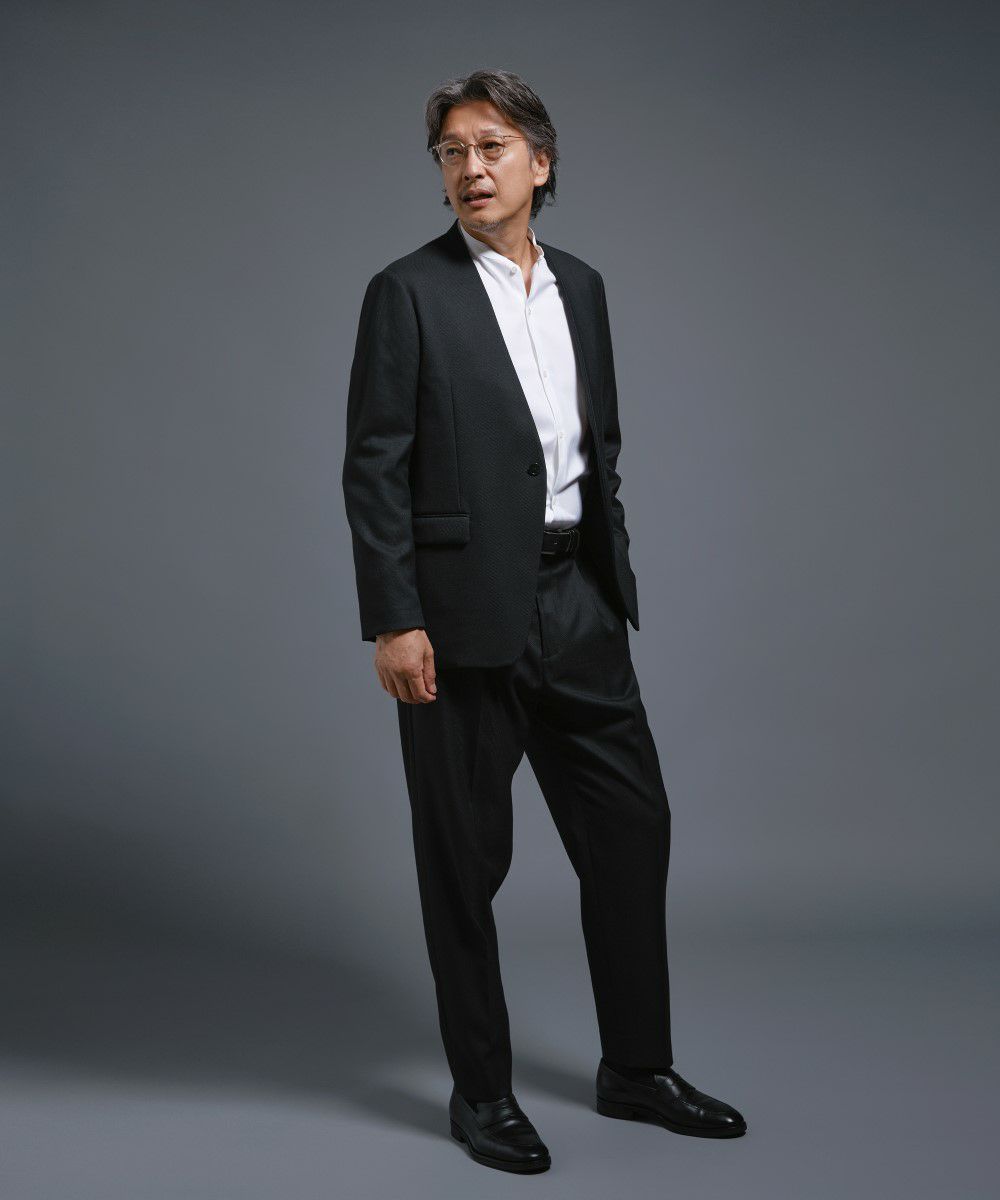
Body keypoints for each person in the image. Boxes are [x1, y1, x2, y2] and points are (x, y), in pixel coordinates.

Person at [342, 69, 746, 1174]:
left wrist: (607, 576)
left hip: (579, 604)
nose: (470, 169)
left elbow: (593, 448)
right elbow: (374, 466)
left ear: (540, 161)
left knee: (631, 832)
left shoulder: (583, 287)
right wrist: (394, 618)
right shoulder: (405, 293)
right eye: (451, 153)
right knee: (463, 861)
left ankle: (637, 1070)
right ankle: (482, 1094)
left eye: (491, 146)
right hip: (459, 619)